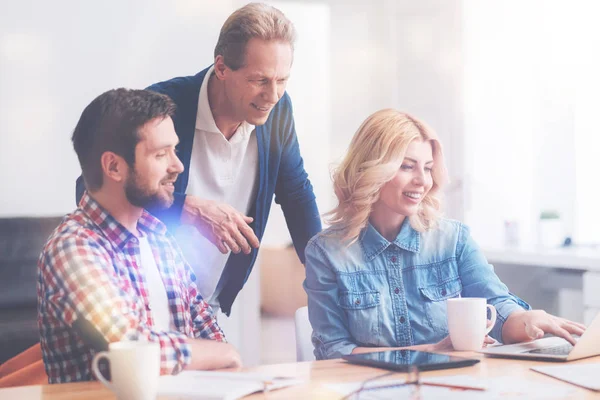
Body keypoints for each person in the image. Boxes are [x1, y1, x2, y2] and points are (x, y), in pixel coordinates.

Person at [75, 3, 321, 317]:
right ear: (221, 67)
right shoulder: (160, 110)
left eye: (282, 80)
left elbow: (297, 194)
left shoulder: (277, 110)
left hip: (208, 306)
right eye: (259, 80)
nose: (272, 95)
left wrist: (326, 275)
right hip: (139, 302)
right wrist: (187, 208)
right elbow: (90, 189)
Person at [304, 109, 586, 360]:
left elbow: (496, 309)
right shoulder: (327, 252)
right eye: (407, 166)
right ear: (373, 168)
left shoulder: (454, 240)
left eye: (428, 168)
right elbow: (334, 351)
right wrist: (429, 351)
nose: (423, 181)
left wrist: (525, 320)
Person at [39, 89, 241, 384]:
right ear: (114, 167)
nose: (177, 166)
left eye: (175, 150)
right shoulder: (72, 248)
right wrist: (222, 354)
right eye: (161, 154)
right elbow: (130, 347)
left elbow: (206, 328)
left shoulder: (159, 237)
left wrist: (225, 360)